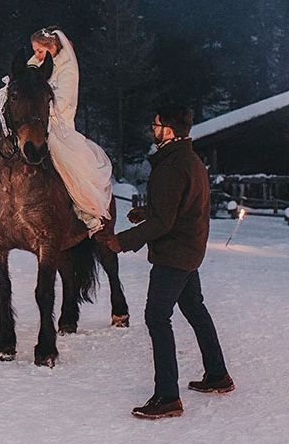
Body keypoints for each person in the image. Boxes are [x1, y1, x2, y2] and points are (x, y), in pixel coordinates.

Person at [104, 105, 234, 419]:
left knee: (156, 318)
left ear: (171, 130)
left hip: (175, 253)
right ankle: (217, 374)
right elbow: (178, 207)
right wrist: (146, 213)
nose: (154, 128)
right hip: (189, 249)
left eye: (157, 124)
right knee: (194, 308)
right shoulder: (189, 160)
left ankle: (167, 396)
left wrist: (122, 241)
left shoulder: (172, 165)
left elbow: (165, 222)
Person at [0, 27, 113, 234]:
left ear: (54, 47)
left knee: (67, 163)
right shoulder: (33, 65)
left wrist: (39, 102)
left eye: (41, 51)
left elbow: (64, 100)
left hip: (57, 125)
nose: (37, 54)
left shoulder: (67, 69)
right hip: (28, 125)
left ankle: (85, 210)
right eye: (36, 50)